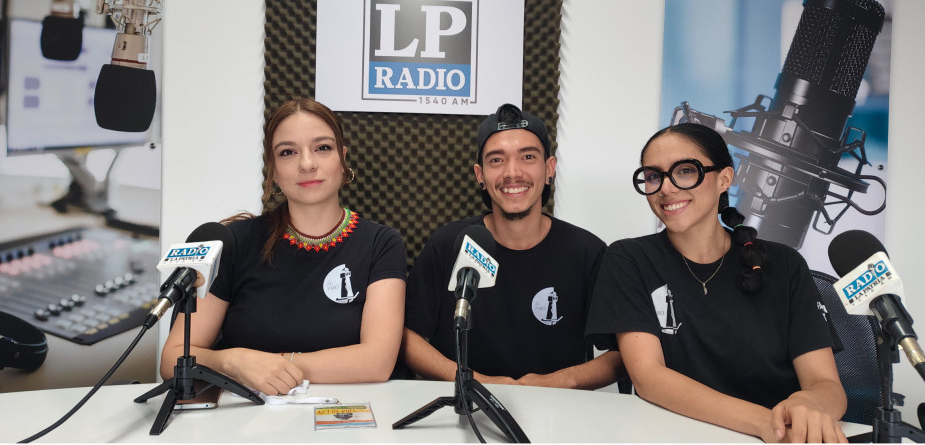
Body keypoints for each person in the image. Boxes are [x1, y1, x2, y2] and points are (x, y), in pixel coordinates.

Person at [585, 123, 847, 443]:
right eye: (653, 176)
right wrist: (767, 423)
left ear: (724, 178)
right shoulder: (629, 259)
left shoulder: (785, 264)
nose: (665, 188)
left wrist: (808, 404)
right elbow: (649, 377)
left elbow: (828, 387)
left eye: (684, 171)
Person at [159, 98, 407, 396]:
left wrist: (277, 365)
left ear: (343, 160)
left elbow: (377, 362)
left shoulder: (381, 243)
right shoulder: (234, 242)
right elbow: (171, 358)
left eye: (322, 148)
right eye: (288, 152)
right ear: (273, 170)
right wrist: (232, 361)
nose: (307, 163)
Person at [402, 103, 623, 389]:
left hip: (559, 416)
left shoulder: (587, 252)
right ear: (480, 175)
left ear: (549, 169)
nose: (512, 172)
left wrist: (555, 383)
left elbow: (621, 354)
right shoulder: (449, 244)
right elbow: (407, 337)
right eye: (496, 160)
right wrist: (476, 382)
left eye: (528, 157)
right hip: (464, 409)